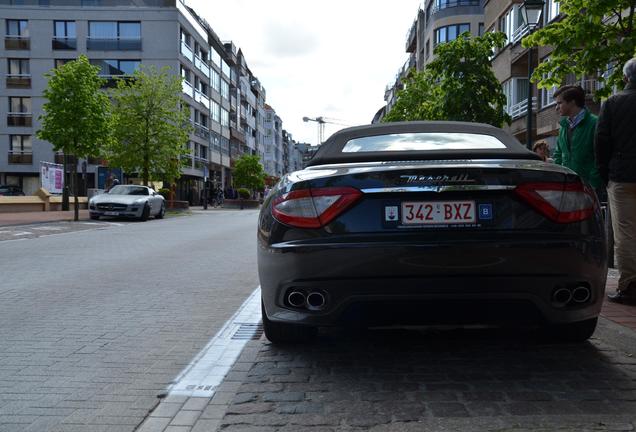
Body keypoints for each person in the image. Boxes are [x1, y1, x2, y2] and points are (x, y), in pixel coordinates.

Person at [595, 58, 636, 304]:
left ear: (625, 78)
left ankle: (630, 286)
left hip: (622, 176)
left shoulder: (613, 103)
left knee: (626, 234)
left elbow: (601, 141)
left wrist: (605, 173)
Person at [553, 85, 603, 194]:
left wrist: (592, 183)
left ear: (572, 102)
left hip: (590, 188)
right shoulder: (563, 126)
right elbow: (558, 154)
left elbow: (601, 156)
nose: (556, 108)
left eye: (559, 103)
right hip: (567, 186)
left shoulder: (595, 123)